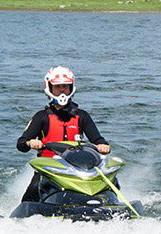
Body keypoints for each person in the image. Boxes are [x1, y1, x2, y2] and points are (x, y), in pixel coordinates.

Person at [15, 66, 110, 202]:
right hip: (49, 169)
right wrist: (31, 143)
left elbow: (98, 139)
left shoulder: (81, 116)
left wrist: (103, 146)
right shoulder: (41, 117)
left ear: (71, 88)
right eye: (57, 87)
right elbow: (21, 144)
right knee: (32, 191)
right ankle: (23, 218)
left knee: (111, 184)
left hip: (77, 168)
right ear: (50, 88)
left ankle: (113, 206)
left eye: (65, 87)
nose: (61, 90)